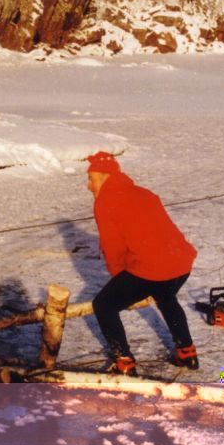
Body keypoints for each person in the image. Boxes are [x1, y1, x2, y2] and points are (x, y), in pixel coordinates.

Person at [86, 151, 198, 376]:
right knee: (166, 296)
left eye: (91, 179)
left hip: (153, 268)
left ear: (104, 177)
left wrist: (120, 280)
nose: (88, 186)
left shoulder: (105, 201)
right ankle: (187, 353)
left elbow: (112, 246)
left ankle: (124, 362)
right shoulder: (144, 193)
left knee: (104, 306)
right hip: (181, 264)